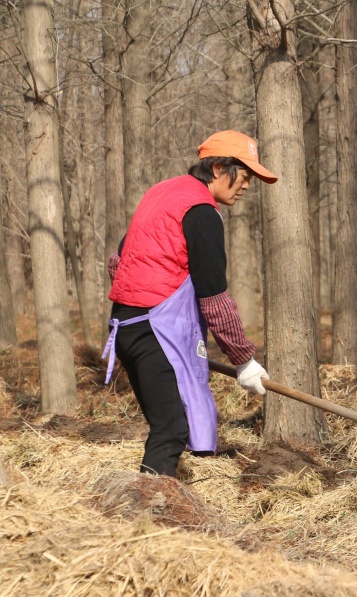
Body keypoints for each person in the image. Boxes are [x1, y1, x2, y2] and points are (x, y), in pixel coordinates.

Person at [103, 130, 278, 477]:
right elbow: (213, 296)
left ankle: (151, 507)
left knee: (168, 425)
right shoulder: (201, 212)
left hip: (125, 328)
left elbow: (117, 261)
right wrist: (244, 360)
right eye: (243, 176)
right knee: (172, 430)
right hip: (154, 332)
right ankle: (147, 516)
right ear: (217, 168)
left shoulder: (161, 194)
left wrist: (138, 304)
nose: (246, 186)